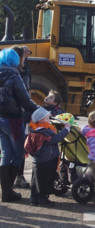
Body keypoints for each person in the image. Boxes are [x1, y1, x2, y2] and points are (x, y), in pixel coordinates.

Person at [0, 47, 39, 202]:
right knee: (17, 154)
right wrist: (39, 110)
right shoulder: (14, 74)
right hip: (13, 120)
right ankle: (8, 191)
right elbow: (24, 98)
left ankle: (5, 191)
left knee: (5, 153)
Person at [24, 107, 71, 206]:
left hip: (37, 160)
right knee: (45, 180)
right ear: (41, 120)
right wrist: (66, 129)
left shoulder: (34, 129)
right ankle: (43, 199)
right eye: (47, 118)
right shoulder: (45, 132)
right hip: (47, 159)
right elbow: (56, 138)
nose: (49, 119)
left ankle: (34, 198)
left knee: (35, 180)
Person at [10, 46, 32, 188]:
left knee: (9, 149)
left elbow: (28, 91)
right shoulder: (16, 73)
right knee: (17, 147)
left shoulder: (25, 70)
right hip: (16, 114)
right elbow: (25, 94)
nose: (26, 55)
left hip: (15, 114)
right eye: (24, 53)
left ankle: (11, 179)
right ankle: (16, 177)